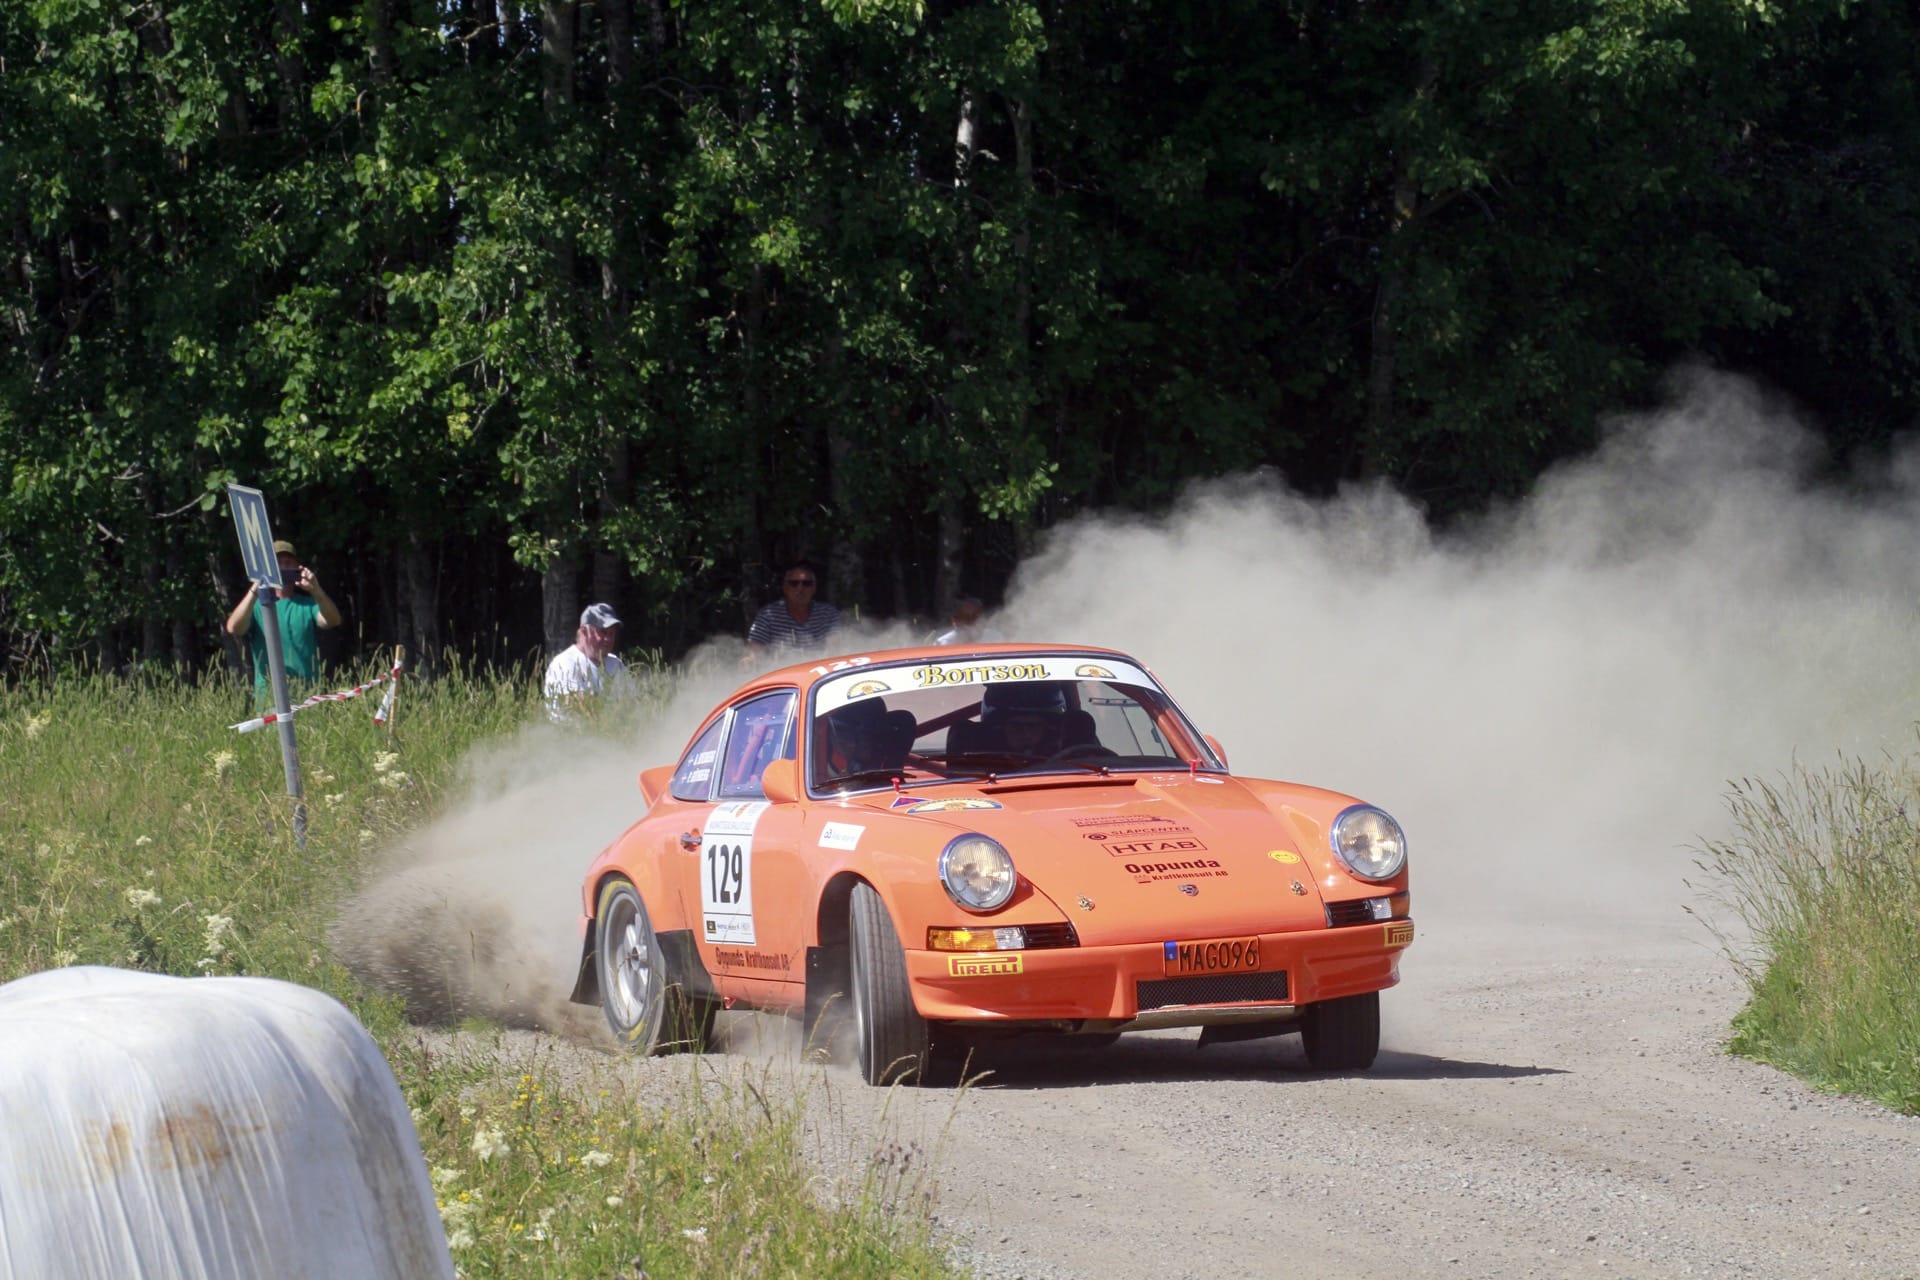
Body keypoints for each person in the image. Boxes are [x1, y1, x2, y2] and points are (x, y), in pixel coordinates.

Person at [224, 539, 342, 703]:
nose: (283, 568)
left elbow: (332, 620)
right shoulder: (259, 607)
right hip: (270, 698)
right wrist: (256, 589)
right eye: (277, 563)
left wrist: (316, 590)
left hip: (308, 697)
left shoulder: (307, 605)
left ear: (297, 567)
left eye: (288, 563)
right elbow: (234, 628)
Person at [544, 602, 630, 722]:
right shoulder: (565, 663)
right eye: (603, 632)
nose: (608, 639)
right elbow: (579, 707)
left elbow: (632, 703)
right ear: (584, 631)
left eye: (612, 633)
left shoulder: (616, 664)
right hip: (572, 737)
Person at [745, 558, 841, 658]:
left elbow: (837, 648)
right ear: (785, 588)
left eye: (806, 583)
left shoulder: (828, 614)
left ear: (814, 588)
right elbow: (753, 651)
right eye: (794, 583)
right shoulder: (768, 616)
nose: (800, 589)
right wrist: (749, 661)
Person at [983, 683, 1068, 757]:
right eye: (1017, 726)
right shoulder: (980, 764)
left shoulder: (1068, 762)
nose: (1026, 734)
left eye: (1033, 726)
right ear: (1002, 728)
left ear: (1045, 728)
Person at [934, 596, 1004, 646]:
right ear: (955, 621)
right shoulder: (943, 644)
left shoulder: (995, 638)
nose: (972, 623)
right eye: (966, 618)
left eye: (975, 617)